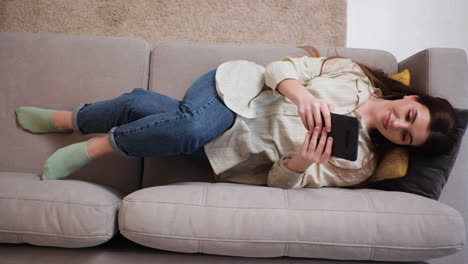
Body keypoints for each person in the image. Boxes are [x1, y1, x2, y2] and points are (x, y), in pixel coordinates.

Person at [15, 50, 458, 189]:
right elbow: (278, 67)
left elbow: (279, 184)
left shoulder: (356, 162)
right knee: (189, 127)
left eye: (407, 136)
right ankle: (93, 147)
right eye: (410, 116)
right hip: (232, 94)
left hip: (224, 154)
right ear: (411, 96)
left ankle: (67, 118)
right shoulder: (352, 75)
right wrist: (298, 93)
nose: (399, 125)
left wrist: (301, 162)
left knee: (146, 109)